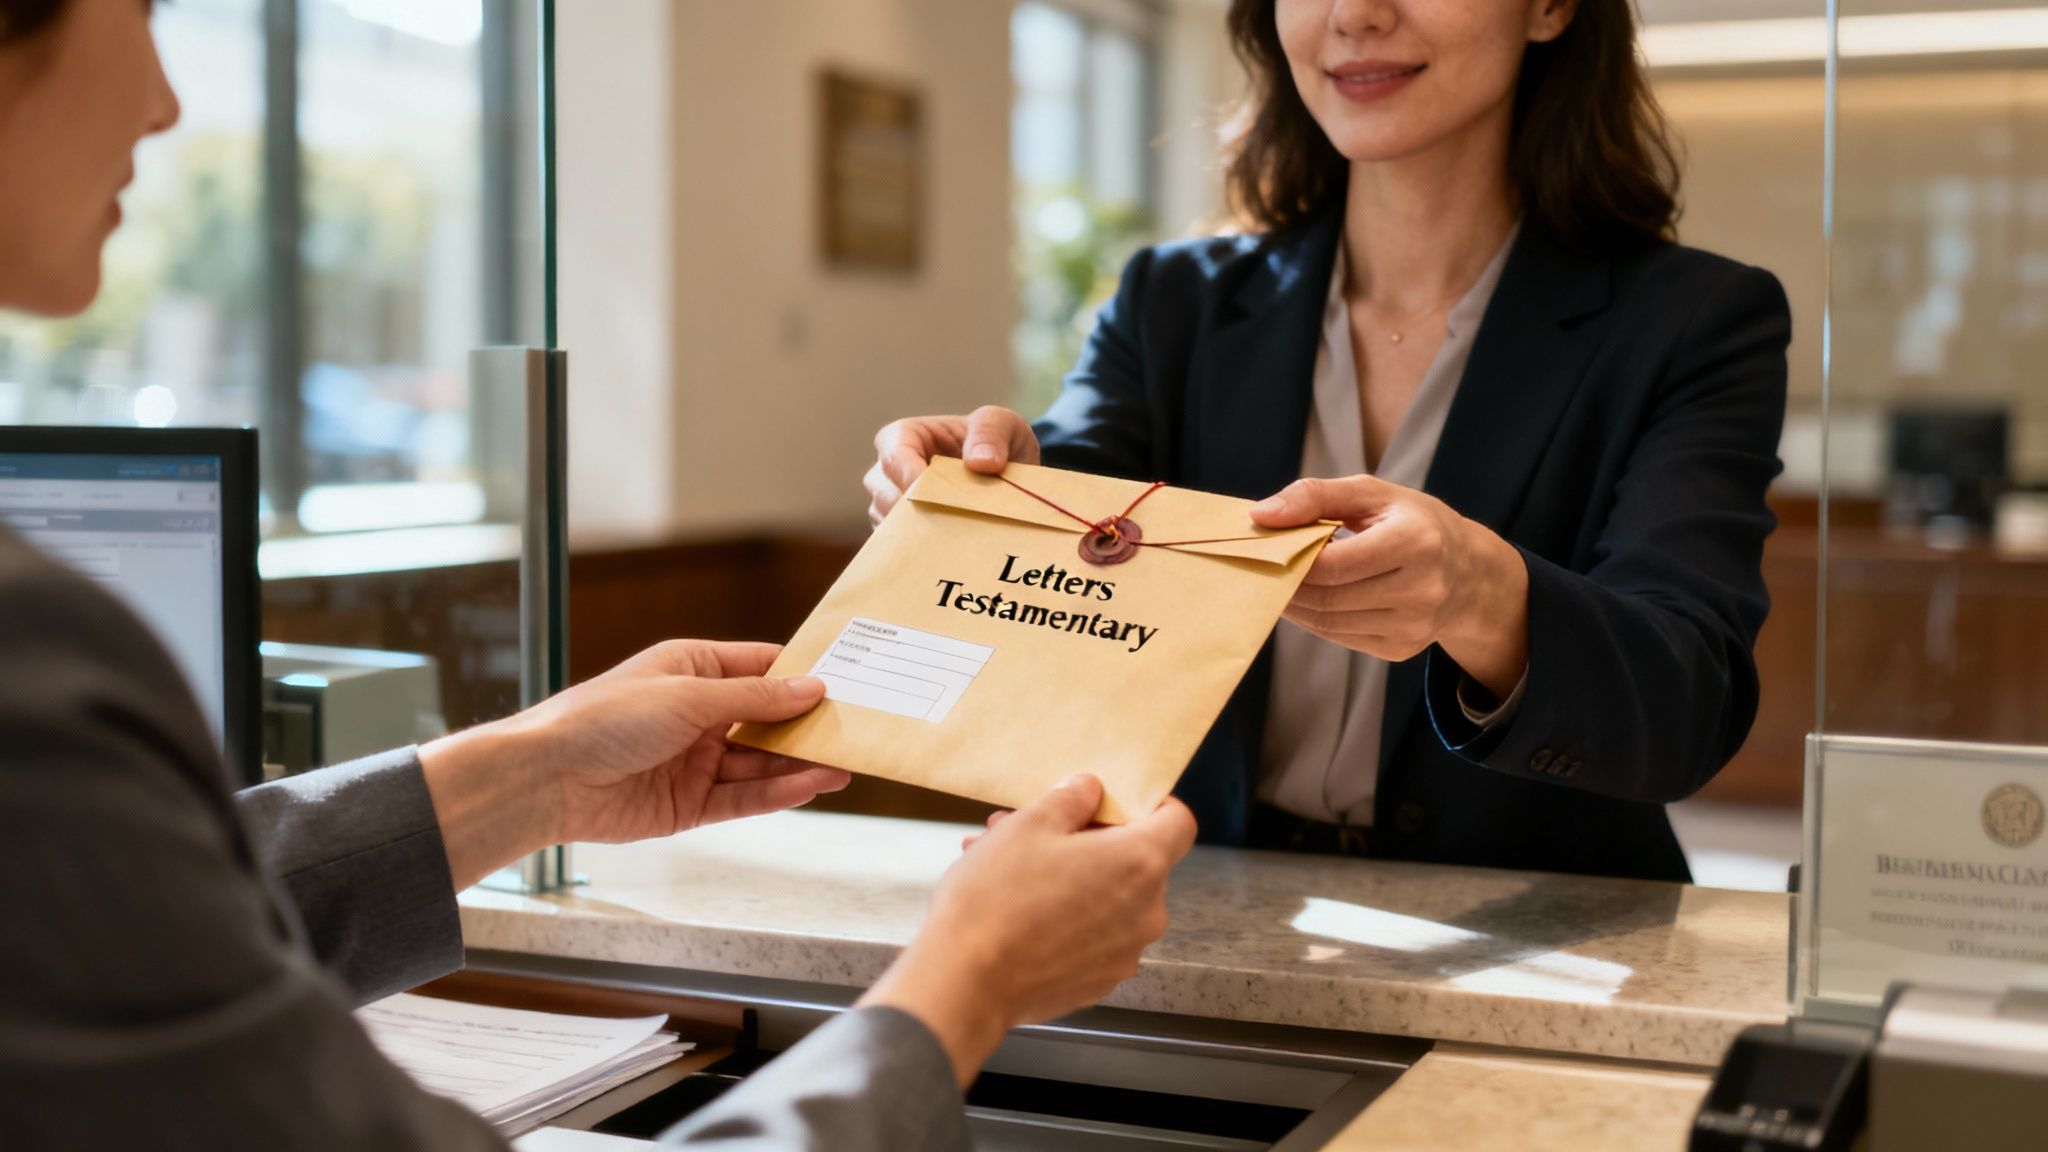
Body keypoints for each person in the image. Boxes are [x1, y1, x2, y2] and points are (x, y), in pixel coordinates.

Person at [0, 1, 1198, 1148]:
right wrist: (967, 980)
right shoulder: (33, 648)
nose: (164, 104)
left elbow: (80, 941)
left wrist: (526, 776)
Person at [866, 0, 1791, 882]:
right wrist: (989, 502)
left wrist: (1481, 594)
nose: (1355, 13)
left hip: (1538, 933)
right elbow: (1075, 510)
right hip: (1189, 904)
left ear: (1551, 8)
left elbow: (1687, 705)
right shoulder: (1171, 301)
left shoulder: (1697, 322)